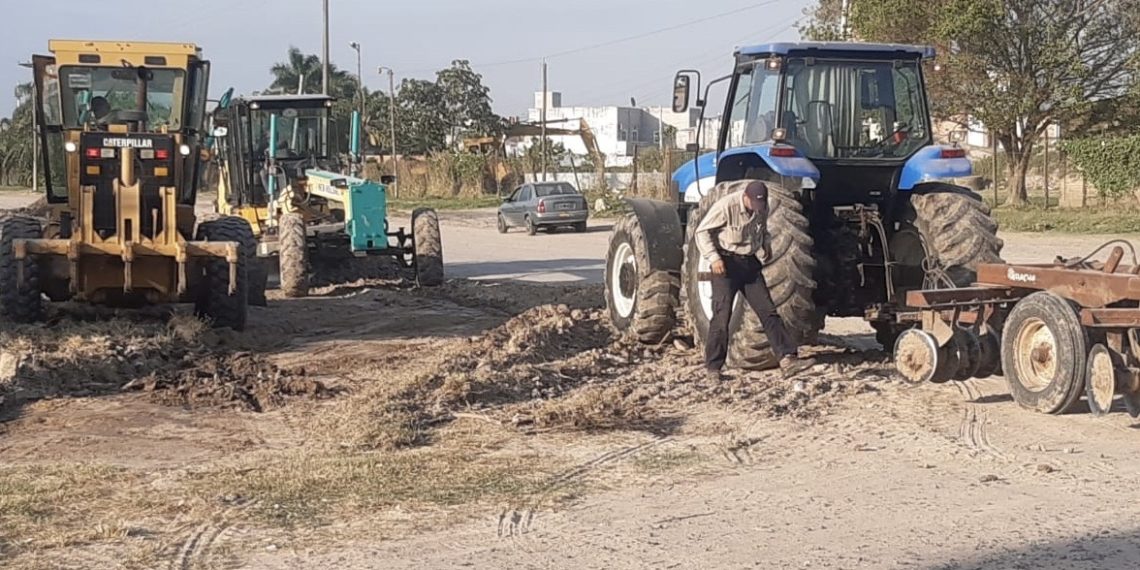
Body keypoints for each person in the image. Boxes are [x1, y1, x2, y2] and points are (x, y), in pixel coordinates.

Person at [694, 180, 815, 380]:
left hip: (749, 264)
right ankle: (713, 368)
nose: (758, 208)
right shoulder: (726, 206)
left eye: (761, 205)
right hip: (725, 264)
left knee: (769, 312)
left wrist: (765, 246)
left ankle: (787, 359)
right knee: (721, 317)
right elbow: (701, 232)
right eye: (754, 204)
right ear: (745, 197)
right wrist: (713, 258)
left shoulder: (762, 206)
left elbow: (763, 229)